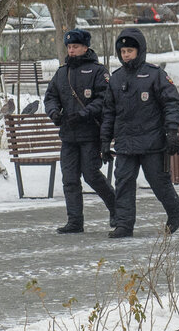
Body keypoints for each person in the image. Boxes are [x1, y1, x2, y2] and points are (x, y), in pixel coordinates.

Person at [100, 28, 179, 238]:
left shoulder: (155, 74)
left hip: (153, 142)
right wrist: (104, 141)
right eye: (122, 51)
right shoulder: (116, 79)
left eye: (130, 50)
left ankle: (174, 210)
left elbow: (172, 103)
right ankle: (124, 225)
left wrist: (172, 132)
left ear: (140, 51)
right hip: (126, 143)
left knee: (158, 181)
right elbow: (109, 112)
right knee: (124, 182)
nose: (126, 55)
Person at [44, 28, 116, 233]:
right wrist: (54, 112)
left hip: (89, 133)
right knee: (69, 178)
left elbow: (104, 99)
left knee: (91, 175)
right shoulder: (62, 72)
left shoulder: (98, 71)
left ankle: (116, 208)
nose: (71, 50)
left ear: (85, 47)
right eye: (69, 47)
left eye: (75, 46)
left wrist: (84, 114)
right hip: (68, 134)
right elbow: (51, 96)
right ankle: (75, 221)